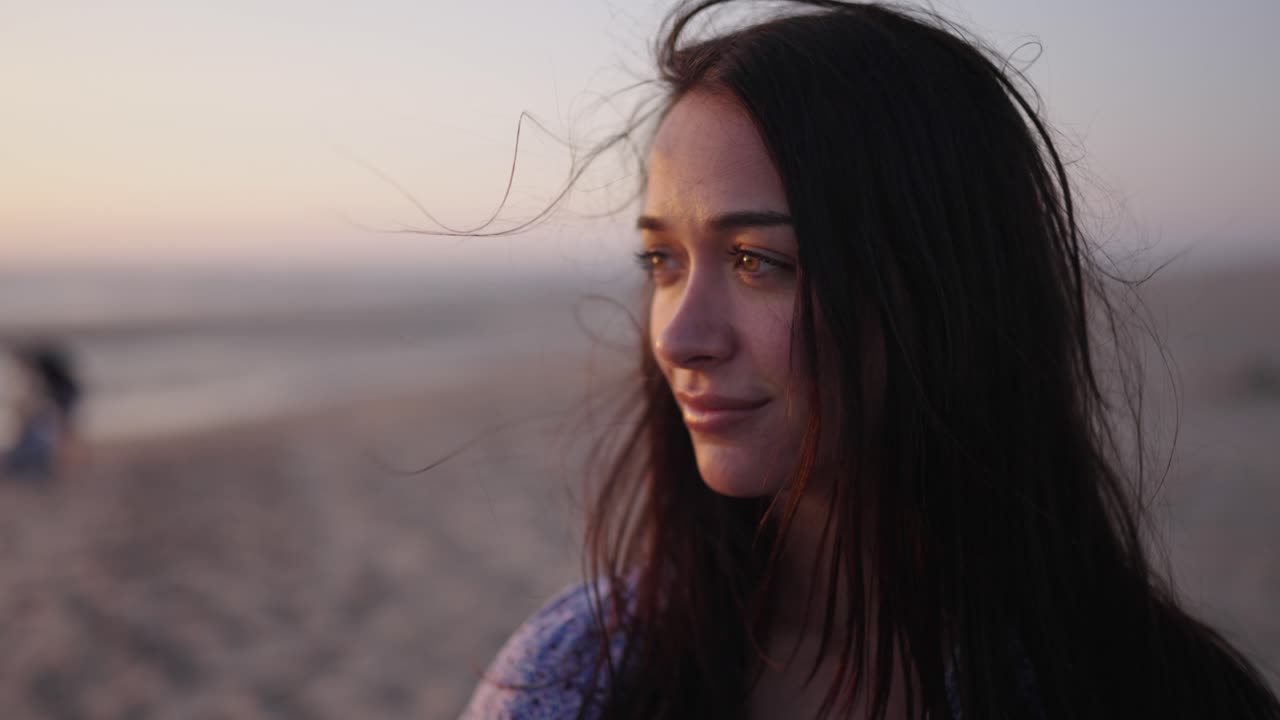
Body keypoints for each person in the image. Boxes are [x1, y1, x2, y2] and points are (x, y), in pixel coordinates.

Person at [462, 1, 1280, 718]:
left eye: (756, 261)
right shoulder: (575, 677)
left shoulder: (1153, 693)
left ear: (945, 284)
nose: (680, 337)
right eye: (662, 263)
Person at [3, 344, 82, 480]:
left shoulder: (42, 369)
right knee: (60, 429)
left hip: (66, 391)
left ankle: (64, 461)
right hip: (65, 390)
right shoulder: (42, 367)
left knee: (62, 429)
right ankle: (61, 461)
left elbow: (49, 397)